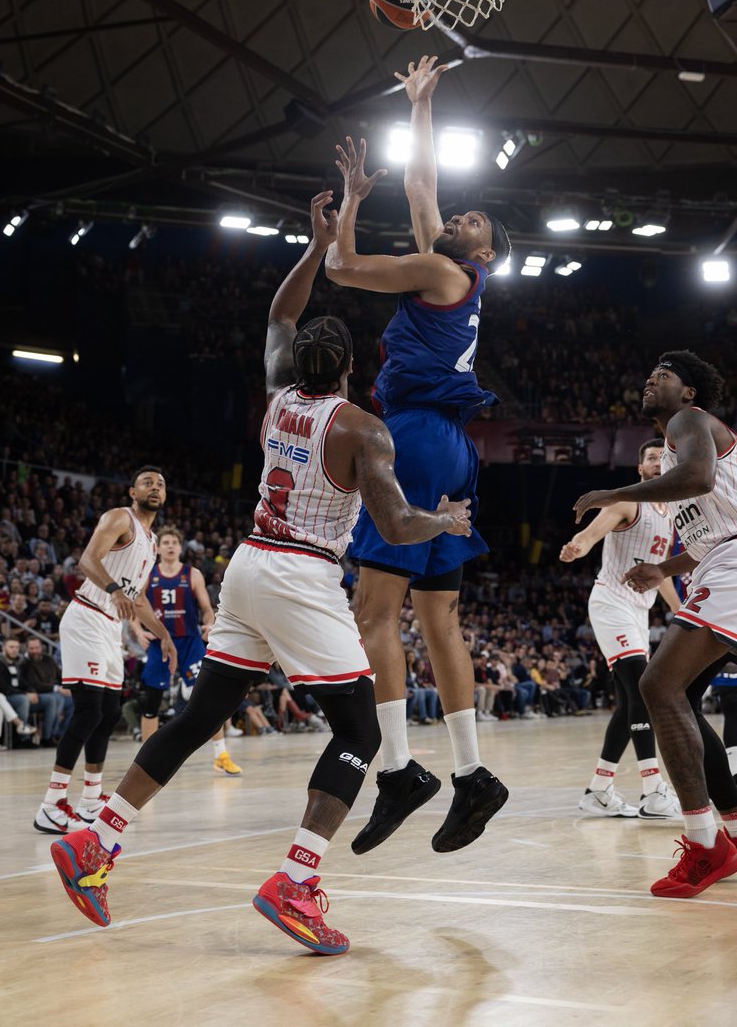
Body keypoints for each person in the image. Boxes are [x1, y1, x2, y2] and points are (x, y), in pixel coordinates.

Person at [49, 190, 471, 955]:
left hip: (247, 566)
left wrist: (315, 249)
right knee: (358, 729)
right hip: (300, 577)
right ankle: (298, 881)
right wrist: (447, 520)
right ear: (348, 367)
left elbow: (280, 318)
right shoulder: (362, 427)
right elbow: (397, 524)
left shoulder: (278, 398)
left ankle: (95, 841)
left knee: (199, 715)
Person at [325, 65, 510, 854]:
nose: (463, 216)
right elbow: (427, 185)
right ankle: (472, 776)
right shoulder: (453, 271)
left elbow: (343, 270)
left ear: (485, 256)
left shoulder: (443, 270)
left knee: (372, 614)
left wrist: (352, 209)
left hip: (413, 440)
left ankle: (399, 768)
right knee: (438, 618)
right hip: (451, 448)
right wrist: (422, 103)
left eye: (477, 221)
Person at [576, 350, 737, 897]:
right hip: (720, 560)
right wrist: (664, 568)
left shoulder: (690, 425)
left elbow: (698, 476)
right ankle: (725, 823)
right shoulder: (675, 453)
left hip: (735, 564)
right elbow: (706, 534)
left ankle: (706, 845)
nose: (650, 380)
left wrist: (617, 492)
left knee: (657, 686)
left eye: (663, 376)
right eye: (648, 374)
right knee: (681, 696)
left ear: (689, 393)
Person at [33, 469, 177, 834]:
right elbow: (87, 560)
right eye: (147, 483)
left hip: (111, 624)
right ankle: (51, 804)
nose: (154, 488)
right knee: (88, 711)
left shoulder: (152, 539)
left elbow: (139, 599)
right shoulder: (119, 517)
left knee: (109, 712)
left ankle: (89, 801)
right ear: (132, 491)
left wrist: (163, 635)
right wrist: (113, 589)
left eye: (160, 484)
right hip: (86, 616)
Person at [561, 439, 681, 820]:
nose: (658, 462)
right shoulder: (628, 502)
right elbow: (595, 531)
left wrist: (680, 610)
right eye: (650, 458)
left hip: (639, 611)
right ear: (640, 470)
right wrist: (578, 545)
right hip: (612, 602)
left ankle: (599, 788)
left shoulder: (674, 511)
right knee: (643, 692)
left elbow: (660, 572)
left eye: (663, 457)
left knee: (631, 700)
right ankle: (653, 790)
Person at [139, 524, 241, 776]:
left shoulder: (192, 574)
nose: (171, 546)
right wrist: (137, 630)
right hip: (160, 643)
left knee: (209, 698)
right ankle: (145, 761)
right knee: (151, 700)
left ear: (180, 547)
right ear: (158, 547)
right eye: (166, 543)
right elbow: (134, 605)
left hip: (189, 642)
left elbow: (207, 607)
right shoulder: (147, 574)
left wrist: (209, 621)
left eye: (174, 542)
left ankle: (221, 755)